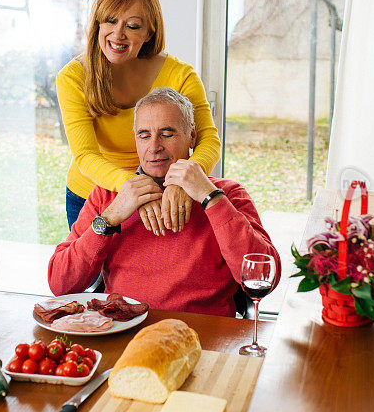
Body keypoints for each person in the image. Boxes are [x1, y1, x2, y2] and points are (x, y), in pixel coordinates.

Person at [48, 88, 281, 317]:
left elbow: (264, 278)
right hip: (126, 331)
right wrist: (108, 219)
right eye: (144, 135)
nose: (154, 147)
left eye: (167, 134)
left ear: (192, 136)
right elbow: (60, 284)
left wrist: (210, 198)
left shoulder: (226, 193)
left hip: (204, 335)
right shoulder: (108, 196)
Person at [56, 0, 220, 235]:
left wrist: (184, 180)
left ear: (149, 34)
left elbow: (208, 139)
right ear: (98, 23)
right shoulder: (73, 78)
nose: (117, 34)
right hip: (90, 197)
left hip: (161, 195)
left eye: (132, 26)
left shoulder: (181, 75)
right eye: (110, 21)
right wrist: (134, 187)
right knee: (88, 276)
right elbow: (86, 155)